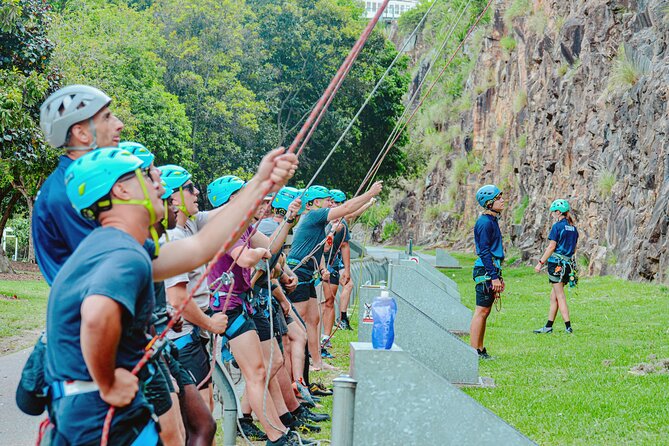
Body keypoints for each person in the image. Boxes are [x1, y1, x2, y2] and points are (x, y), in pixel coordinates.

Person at [45, 146, 297, 444]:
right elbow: (96, 317)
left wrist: (261, 182)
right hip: (94, 408)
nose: (161, 186)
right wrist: (109, 381)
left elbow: (201, 247)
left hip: (94, 403)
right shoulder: (120, 251)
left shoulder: (130, 246)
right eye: (150, 177)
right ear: (123, 191)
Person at [206, 176, 314, 446]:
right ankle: (274, 435)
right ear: (232, 199)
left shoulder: (244, 226)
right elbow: (244, 257)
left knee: (267, 366)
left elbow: (271, 246)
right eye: (244, 193)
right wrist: (260, 255)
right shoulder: (226, 226)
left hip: (243, 303)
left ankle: (279, 432)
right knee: (256, 372)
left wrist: (289, 219)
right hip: (229, 308)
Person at [286, 182, 382, 371]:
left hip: (308, 272)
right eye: (327, 201)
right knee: (297, 325)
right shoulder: (314, 215)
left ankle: (317, 362)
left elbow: (318, 249)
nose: (331, 204)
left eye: (331, 201)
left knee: (313, 320)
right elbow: (346, 209)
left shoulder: (319, 222)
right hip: (298, 273)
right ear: (313, 203)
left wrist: (322, 269)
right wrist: (370, 193)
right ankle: (295, 371)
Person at [34, 84, 124, 284]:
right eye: (107, 118)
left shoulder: (86, 184)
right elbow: (108, 265)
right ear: (81, 134)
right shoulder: (67, 193)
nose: (119, 124)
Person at [470, 184, 505, 360]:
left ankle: (480, 348)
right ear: (489, 202)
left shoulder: (492, 220)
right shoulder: (484, 223)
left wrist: (498, 275)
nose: (502, 200)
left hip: (491, 268)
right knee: (481, 311)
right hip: (485, 269)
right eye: (498, 198)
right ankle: (472, 351)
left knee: (486, 312)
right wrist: (493, 276)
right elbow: (483, 251)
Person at [533, 199, 579, 334]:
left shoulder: (557, 227)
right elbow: (574, 249)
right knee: (554, 296)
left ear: (559, 212)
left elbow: (552, 246)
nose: (553, 214)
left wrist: (540, 263)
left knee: (560, 296)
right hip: (568, 265)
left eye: (554, 212)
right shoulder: (573, 229)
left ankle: (568, 326)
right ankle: (548, 326)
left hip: (557, 265)